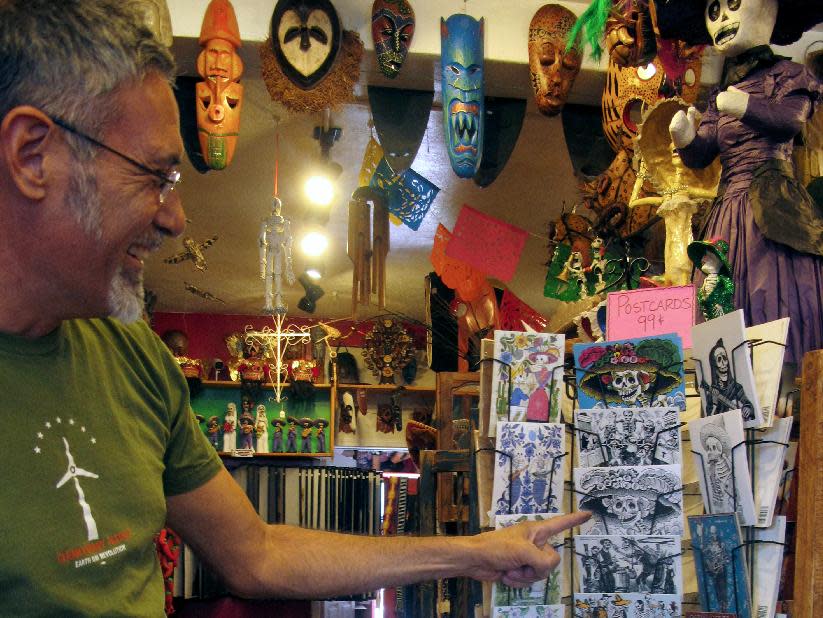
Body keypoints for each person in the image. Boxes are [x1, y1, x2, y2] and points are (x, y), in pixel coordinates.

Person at [0, 2, 591, 614]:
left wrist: (478, 552)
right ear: (32, 155)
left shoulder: (131, 357)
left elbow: (258, 553)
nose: (175, 219)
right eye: (154, 177)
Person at [664, 0, 823, 366]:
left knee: (773, 287)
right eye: (714, 11)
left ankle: (781, 375)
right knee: (722, 290)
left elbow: (791, 120)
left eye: (735, 5)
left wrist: (745, 106)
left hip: (773, 204)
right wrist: (686, 138)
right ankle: (729, 385)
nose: (724, 20)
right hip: (727, 212)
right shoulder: (720, 94)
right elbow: (702, 153)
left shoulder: (788, 74)